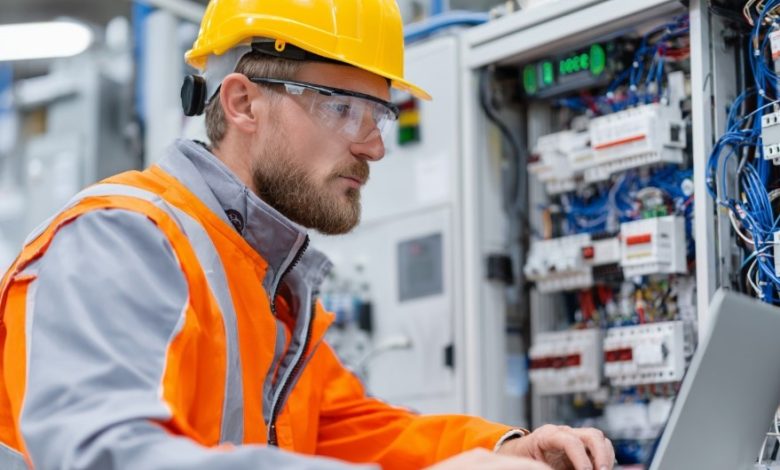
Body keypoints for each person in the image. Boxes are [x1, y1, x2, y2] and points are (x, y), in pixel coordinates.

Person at [0, 1, 614, 469]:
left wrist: (508, 447)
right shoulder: (120, 240)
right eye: (345, 107)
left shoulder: (264, 281)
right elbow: (111, 454)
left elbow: (354, 429)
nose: (374, 145)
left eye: (381, 115)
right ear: (241, 103)